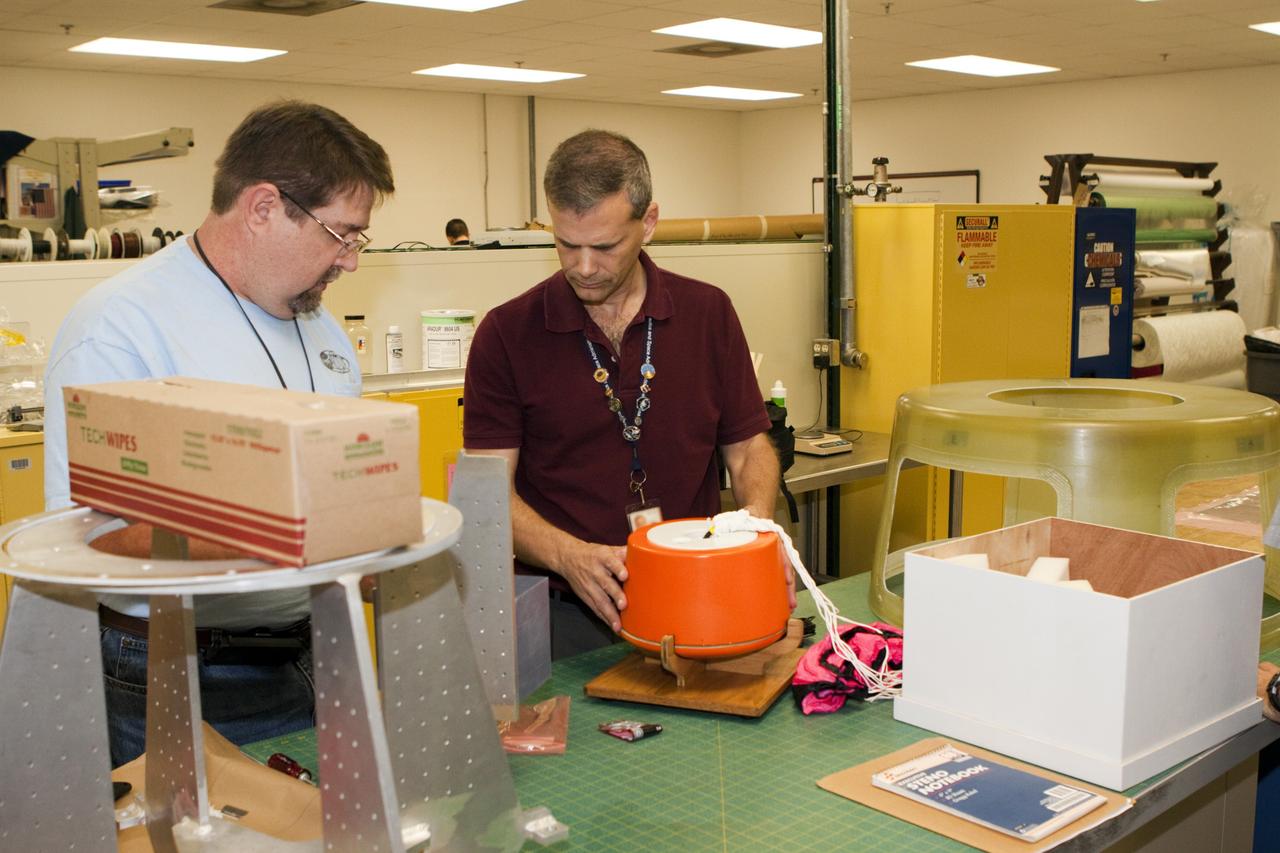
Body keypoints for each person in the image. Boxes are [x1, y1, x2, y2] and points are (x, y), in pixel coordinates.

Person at [42, 100, 394, 767]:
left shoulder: (320, 326)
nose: (350, 261)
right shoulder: (121, 327)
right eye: (340, 235)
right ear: (264, 207)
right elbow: (92, 543)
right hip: (172, 668)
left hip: (307, 648)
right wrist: (299, 532)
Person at [463, 129, 792, 658]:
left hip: (696, 597)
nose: (584, 267)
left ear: (650, 222)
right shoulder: (506, 334)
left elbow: (749, 445)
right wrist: (571, 556)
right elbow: (486, 495)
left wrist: (756, 526)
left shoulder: (708, 313)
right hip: (561, 613)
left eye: (605, 246)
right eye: (567, 244)